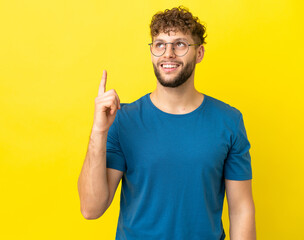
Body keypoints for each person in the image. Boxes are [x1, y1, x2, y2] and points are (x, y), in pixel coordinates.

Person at [78, 6, 256, 240]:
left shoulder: (229, 121)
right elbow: (91, 209)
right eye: (160, 44)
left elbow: (241, 209)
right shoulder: (123, 120)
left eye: (180, 44)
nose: (168, 53)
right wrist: (99, 130)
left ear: (199, 53)